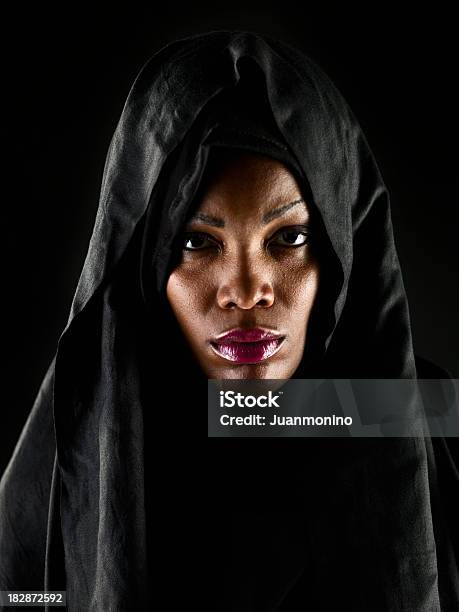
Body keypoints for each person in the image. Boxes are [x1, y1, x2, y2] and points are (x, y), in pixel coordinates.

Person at [0, 30, 458, 610]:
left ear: (343, 250)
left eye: (288, 238)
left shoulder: (429, 431)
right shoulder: (68, 468)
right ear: (144, 260)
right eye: (196, 242)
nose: (246, 291)